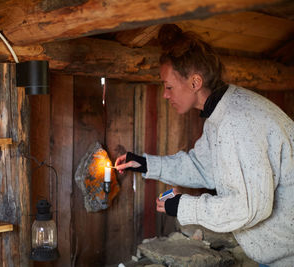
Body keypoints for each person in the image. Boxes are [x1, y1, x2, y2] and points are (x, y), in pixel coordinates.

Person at [115, 25, 294, 266]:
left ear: (195, 82)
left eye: (168, 86)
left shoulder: (237, 120)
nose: (165, 95)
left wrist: (185, 207)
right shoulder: (221, 114)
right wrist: (147, 164)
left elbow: (249, 207)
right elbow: (202, 167)